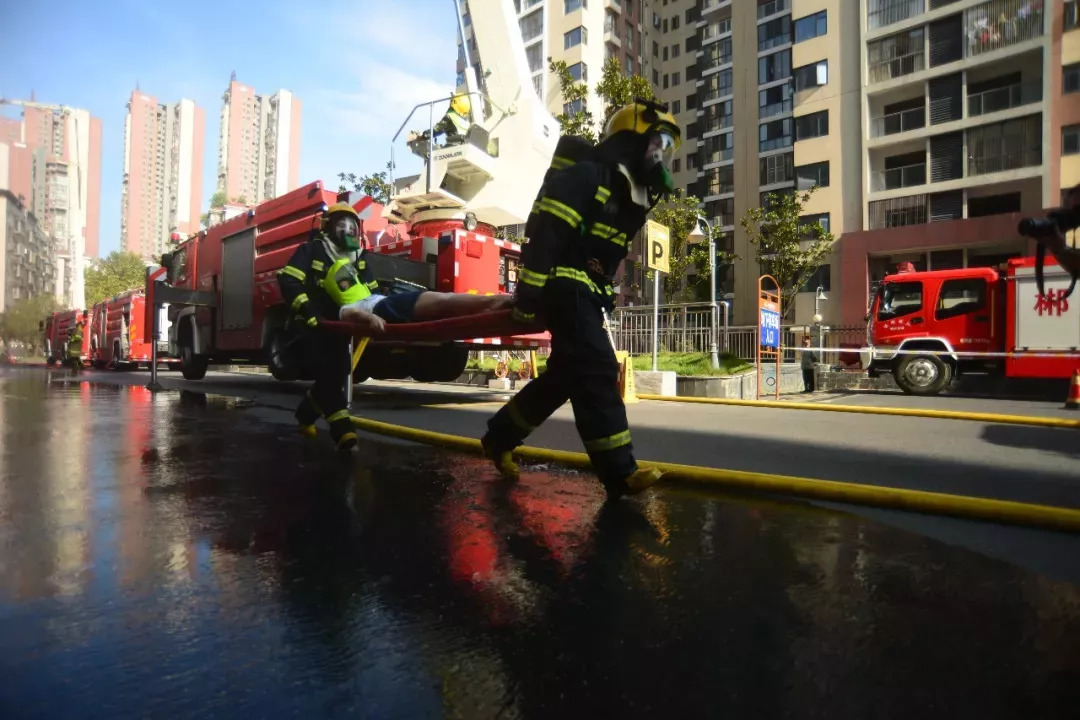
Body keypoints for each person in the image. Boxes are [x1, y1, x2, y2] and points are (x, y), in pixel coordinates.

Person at [481, 100, 682, 499]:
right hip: (562, 284)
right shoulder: (587, 177)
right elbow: (548, 238)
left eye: (667, 147)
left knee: (565, 378)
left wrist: (603, 292)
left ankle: (499, 438)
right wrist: (529, 297)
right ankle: (619, 473)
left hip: (586, 290)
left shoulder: (629, 195)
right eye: (656, 142)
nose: (661, 154)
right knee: (597, 367)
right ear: (629, 138)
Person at [277, 202, 510, 451]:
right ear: (327, 227)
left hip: (363, 310)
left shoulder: (358, 255)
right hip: (324, 320)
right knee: (334, 371)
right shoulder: (312, 250)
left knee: (338, 371)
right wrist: (311, 312)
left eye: (352, 226)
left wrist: (378, 301)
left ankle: (311, 417)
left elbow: (370, 289)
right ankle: (342, 431)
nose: (347, 231)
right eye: (341, 225)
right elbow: (289, 280)